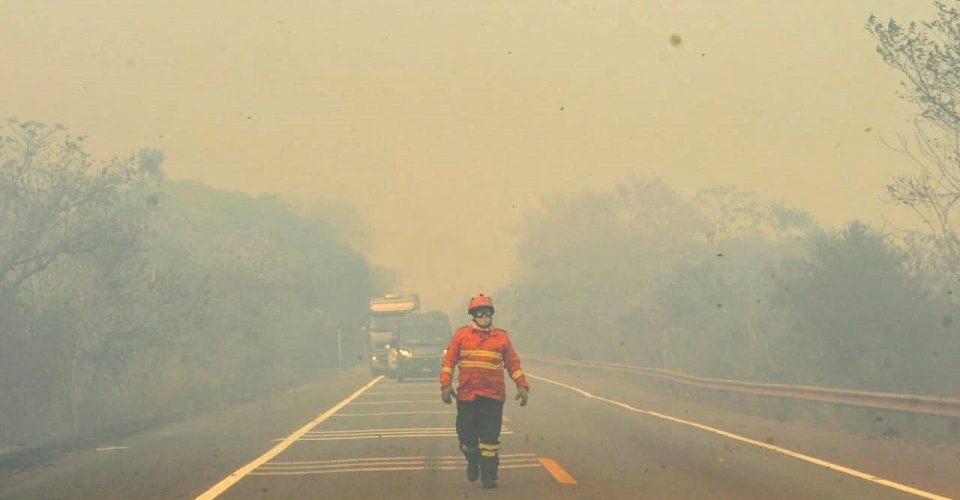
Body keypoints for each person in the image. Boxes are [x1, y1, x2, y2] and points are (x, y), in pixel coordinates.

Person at [440, 294, 530, 489]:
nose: (483, 316)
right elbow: (449, 362)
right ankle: (473, 459)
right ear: (472, 315)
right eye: (479, 312)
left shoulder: (502, 338)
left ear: (492, 314)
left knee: (490, 440)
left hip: (492, 397)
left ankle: (489, 475)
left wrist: (522, 385)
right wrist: (445, 385)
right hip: (467, 396)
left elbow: (513, 364)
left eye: (486, 312)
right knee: (466, 438)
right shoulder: (461, 336)